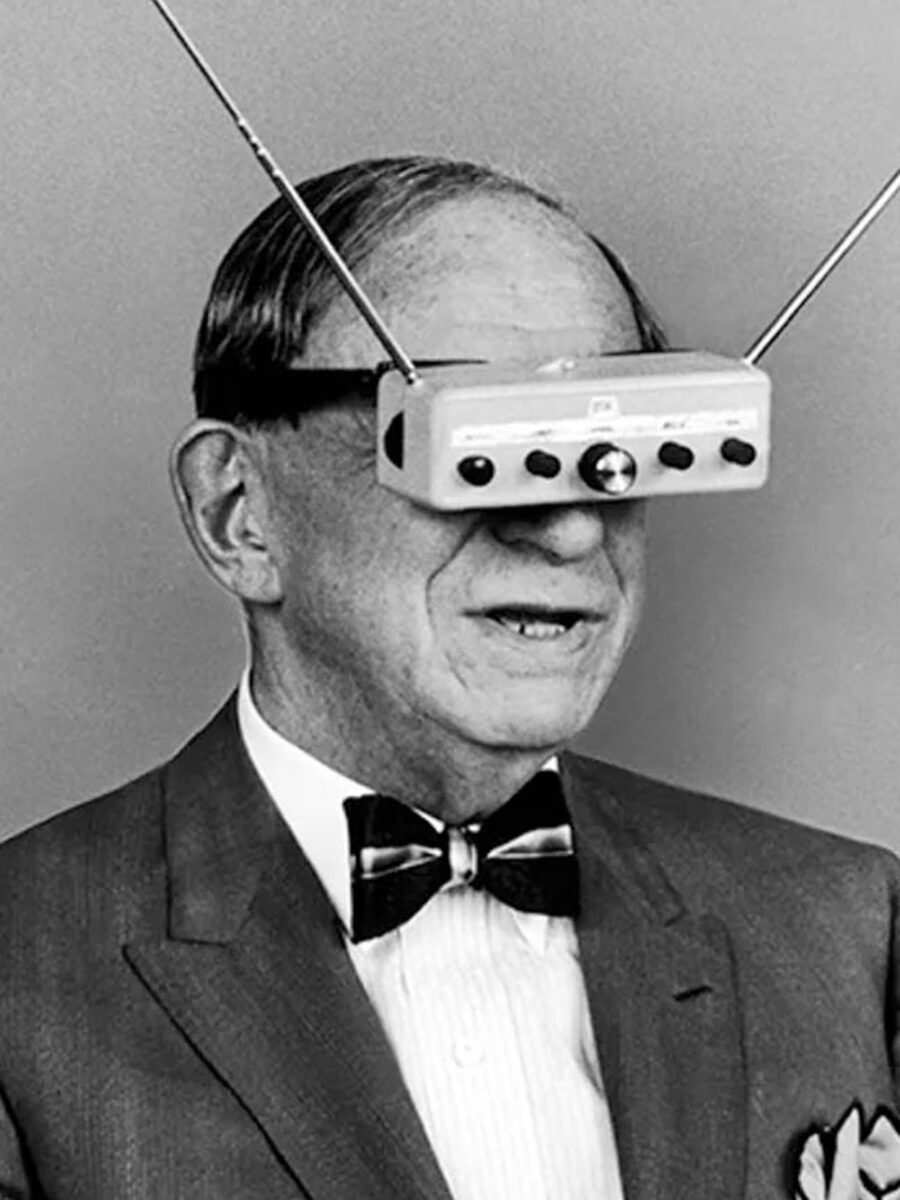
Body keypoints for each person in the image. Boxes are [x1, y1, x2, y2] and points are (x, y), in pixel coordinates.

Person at [0, 155, 897, 1200]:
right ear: (238, 513)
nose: (571, 531)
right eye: (475, 438)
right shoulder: (21, 969)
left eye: (618, 437)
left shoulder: (847, 927)